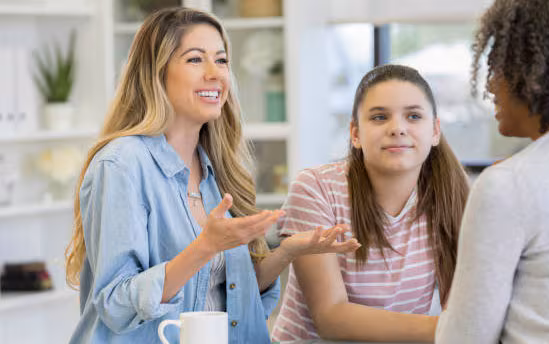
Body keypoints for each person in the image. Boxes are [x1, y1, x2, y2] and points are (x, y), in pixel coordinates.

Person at [64, 7, 359, 344]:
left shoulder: (217, 170)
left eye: (221, 60)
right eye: (194, 60)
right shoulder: (121, 165)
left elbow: (229, 293)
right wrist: (204, 247)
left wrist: (288, 252)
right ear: (155, 73)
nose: (215, 74)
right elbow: (115, 304)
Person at [436, 0, 549, 342]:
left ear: (533, 71)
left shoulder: (509, 184)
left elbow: (465, 337)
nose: (489, 85)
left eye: (497, 65)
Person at [271, 64, 470, 342]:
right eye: (379, 117)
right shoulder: (316, 188)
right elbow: (331, 318)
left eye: (413, 116)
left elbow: (461, 304)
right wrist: (451, 329)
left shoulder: (452, 194)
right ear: (355, 134)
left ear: (435, 131)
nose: (397, 128)